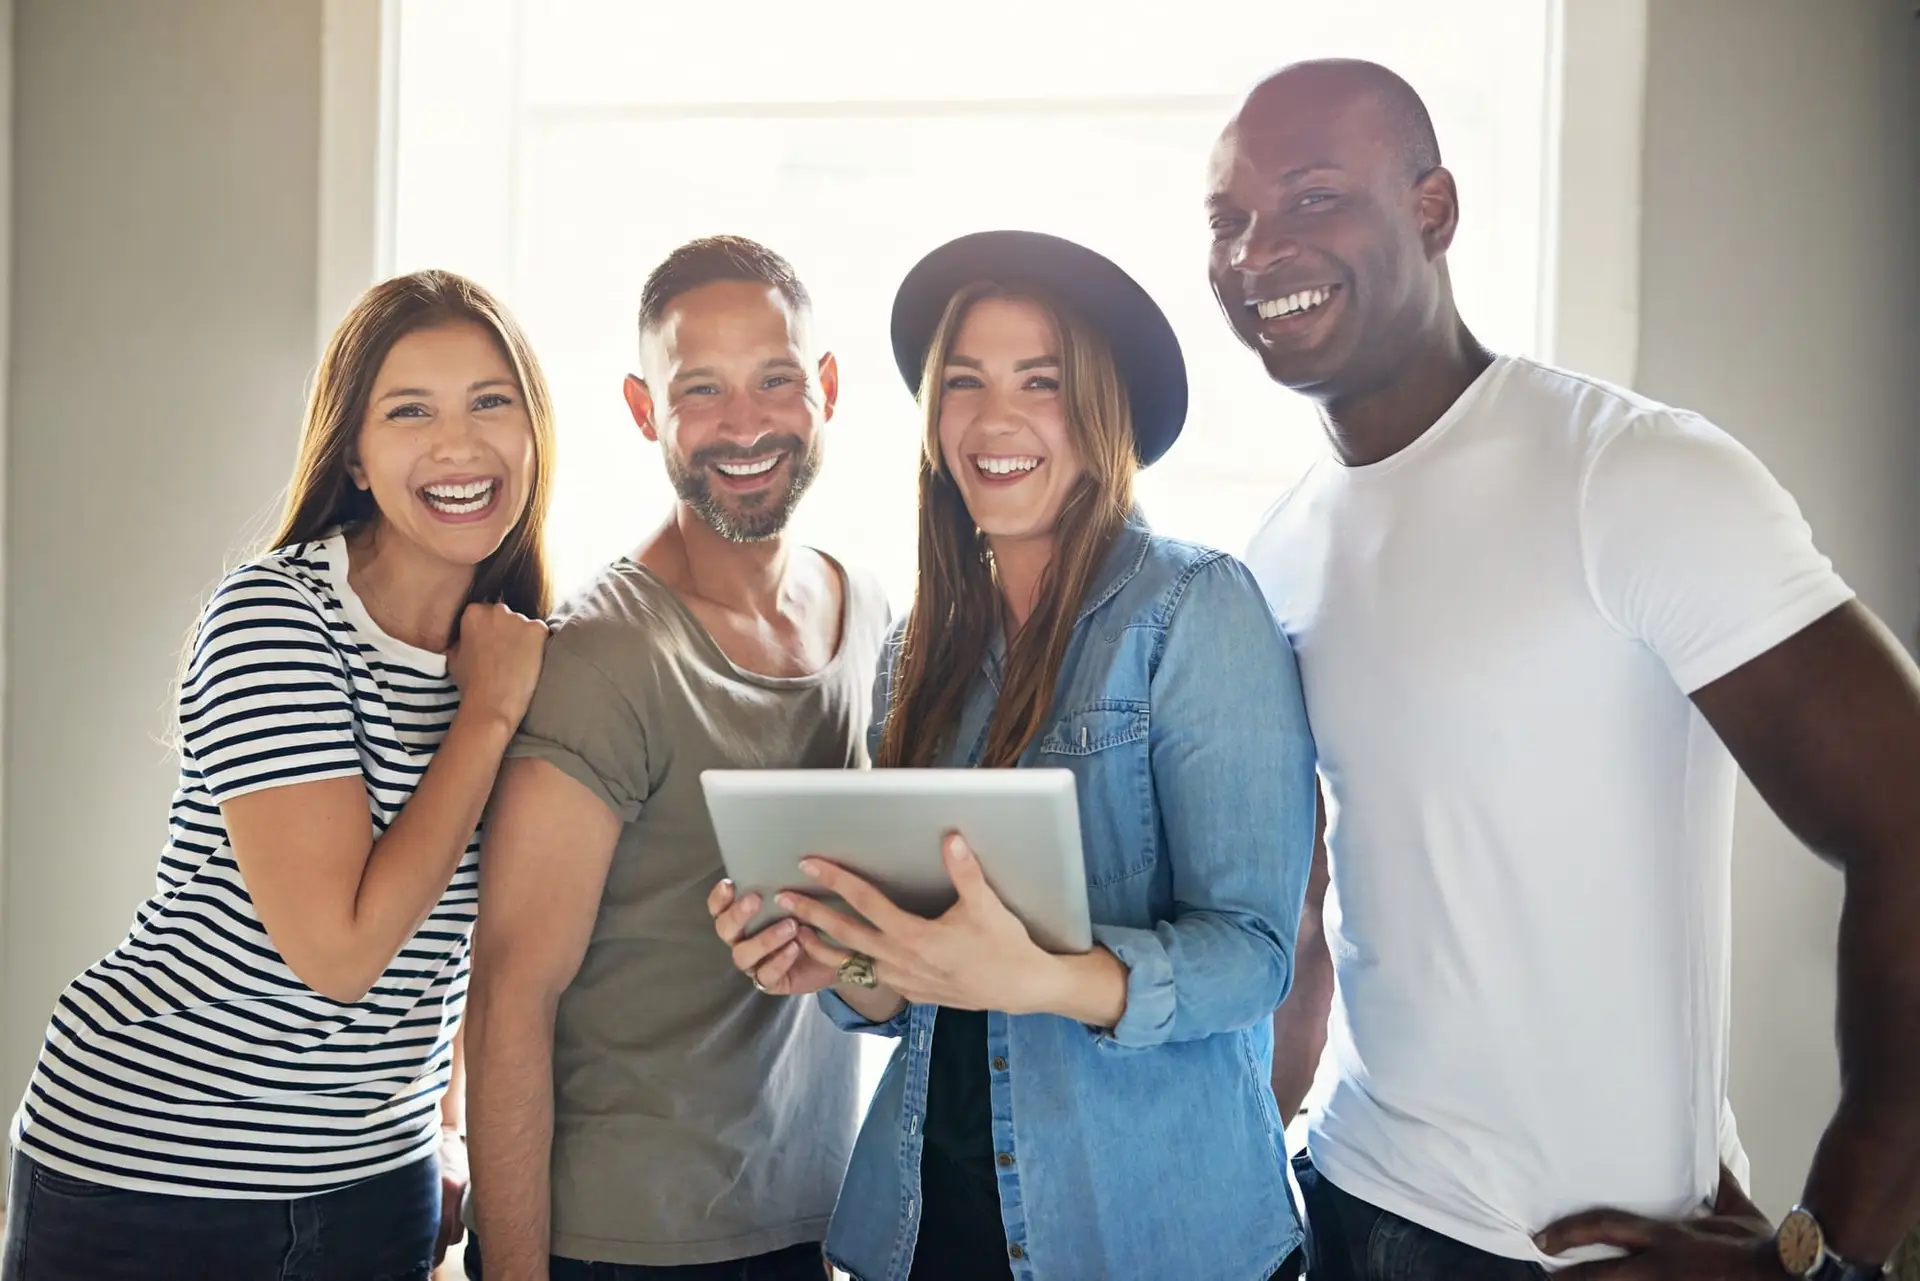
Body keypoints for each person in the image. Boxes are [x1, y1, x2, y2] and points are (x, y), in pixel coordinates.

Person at [1207, 59, 1920, 1281]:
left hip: (1579, 1252)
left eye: (1313, 197)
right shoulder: (1278, 549)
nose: (1258, 251)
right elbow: (1308, 919)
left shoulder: (1630, 475)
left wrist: (1821, 1257)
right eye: (1228, 219)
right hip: (1342, 1203)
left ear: (1433, 210)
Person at [710, 230, 1319, 1281]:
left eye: (1042, 382)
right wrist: (843, 960)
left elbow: (1254, 957)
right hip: (931, 1230)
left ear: (1103, 409)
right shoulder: (918, 651)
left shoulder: (1194, 608)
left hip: (1147, 1239)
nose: (996, 420)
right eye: (965, 382)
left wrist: (1045, 977)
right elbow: (907, 990)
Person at [1, 269, 555, 1281]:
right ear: (354, 454)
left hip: (375, 1179)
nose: (459, 445)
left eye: (490, 402)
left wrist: (444, 1125)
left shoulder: (514, 648)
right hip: (154, 1167)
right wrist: (484, 718)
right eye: (410, 411)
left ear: (533, 431)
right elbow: (339, 955)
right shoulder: (275, 618)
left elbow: (466, 935)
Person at [463, 236, 890, 1281]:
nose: (744, 425)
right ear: (644, 409)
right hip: (618, 1246)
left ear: (827, 389)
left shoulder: (870, 613)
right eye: (701, 389)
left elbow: (871, 949)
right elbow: (510, 996)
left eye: (775, 380)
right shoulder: (606, 655)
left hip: (805, 1225)